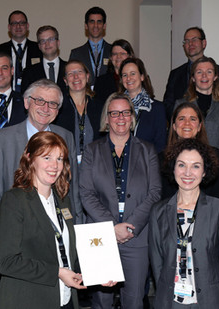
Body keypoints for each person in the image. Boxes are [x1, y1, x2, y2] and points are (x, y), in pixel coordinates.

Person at [79, 93, 161, 309]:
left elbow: (154, 192)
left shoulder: (148, 150)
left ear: (132, 117)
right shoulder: (91, 151)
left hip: (137, 237)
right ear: (107, 118)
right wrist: (111, 228)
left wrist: (130, 227)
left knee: (134, 300)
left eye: (126, 112)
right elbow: (86, 192)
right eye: (114, 113)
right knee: (101, 300)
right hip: (100, 236)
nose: (120, 118)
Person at [0, 131, 86, 309]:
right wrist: (57, 273)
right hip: (28, 300)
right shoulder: (14, 200)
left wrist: (97, 273)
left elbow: (67, 251)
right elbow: (7, 262)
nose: (54, 165)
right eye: (47, 157)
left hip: (65, 299)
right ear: (30, 158)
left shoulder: (63, 200)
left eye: (59, 159)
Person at [0, 79, 82, 241]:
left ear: (58, 110)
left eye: (52, 104)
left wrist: (77, 230)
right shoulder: (3, 139)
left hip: (59, 231)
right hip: (18, 232)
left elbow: (73, 189)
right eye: (39, 101)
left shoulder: (67, 137)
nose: (45, 108)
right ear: (26, 102)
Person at [149, 138, 219, 308]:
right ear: (173, 168)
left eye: (196, 166)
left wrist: (217, 297)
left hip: (208, 301)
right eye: (181, 165)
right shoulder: (158, 211)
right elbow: (157, 262)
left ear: (204, 172)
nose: (187, 173)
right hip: (170, 301)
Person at [162, 102, 219, 200]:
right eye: (181, 119)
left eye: (193, 119)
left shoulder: (217, 157)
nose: (187, 123)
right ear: (174, 126)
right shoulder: (160, 160)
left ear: (199, 126)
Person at [162, 27, 219, 120]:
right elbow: (167, 104)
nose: (190, 44)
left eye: (194, 40)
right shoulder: (175, 74)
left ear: (204, 43)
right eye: (187, 41)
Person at [173, 57, 219, 150]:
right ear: (193, 78)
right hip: (188, 160)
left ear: (215, 77)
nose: (204, 76)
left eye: (209, 72)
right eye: (199, 72)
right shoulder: (180, 104)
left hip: (217, 161)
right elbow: (174, 138)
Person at [54, 60, 104, 163]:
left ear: (87, 76)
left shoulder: (100, 107)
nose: (76, 77)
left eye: (79, 72)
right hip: (66, 166)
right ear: (65, 81)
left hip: (94, 165)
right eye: (70, 74)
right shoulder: (57, 108)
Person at [119, 57, 168, 153]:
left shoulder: (157, 109)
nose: (128, 78)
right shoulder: (115, 107)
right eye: (125, 75)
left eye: (133, 74)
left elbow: (160, 146)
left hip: (146, 164)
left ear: (142, 77)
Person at [0, 10, 42, 92]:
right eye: (14, 23)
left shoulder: (38, 48)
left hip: (33, 96)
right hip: (7, 95)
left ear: (27, 26)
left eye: (22, 23)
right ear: (9, 27)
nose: (18, 26)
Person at [69, 6, 111, 85]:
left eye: (99, 21)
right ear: (86, 25)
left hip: (109, 96)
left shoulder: (113, 51)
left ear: (104, 25)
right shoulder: (76, 53)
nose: (95, 25)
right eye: (92, 21)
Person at [21, 25, 67, 93]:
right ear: (39, 46)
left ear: (58, 43)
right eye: (43, 41)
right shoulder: (29, 72)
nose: (47, 44)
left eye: (51, 39)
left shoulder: (69, 68)